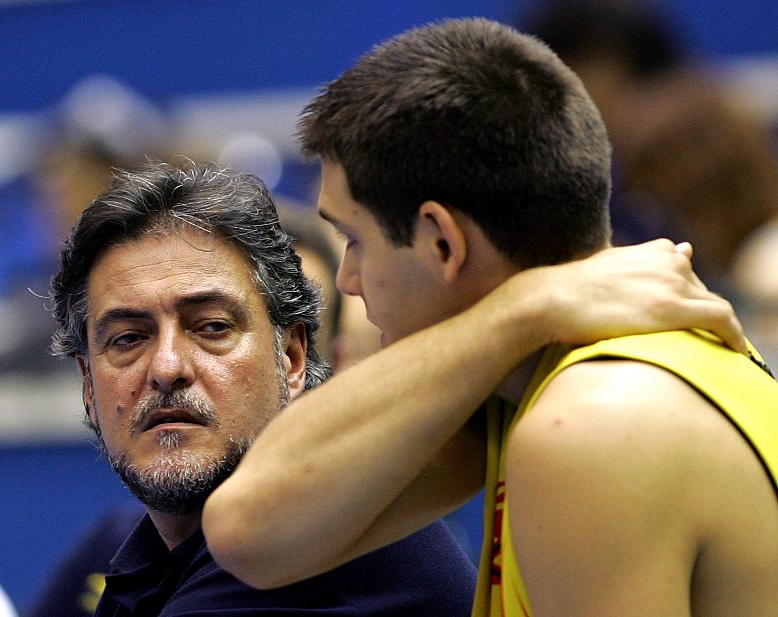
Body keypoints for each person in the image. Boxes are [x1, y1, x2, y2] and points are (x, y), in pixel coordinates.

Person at [202, 18, 777, 617]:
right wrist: (524, 307)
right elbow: (248, 534)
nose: (348, 279)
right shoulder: (533, 370)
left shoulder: (591, 420)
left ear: (442, 242)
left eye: (356, 240)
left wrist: (523, 310)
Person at [48, 159, 480, 616]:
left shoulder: (319, 548)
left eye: (212, 327)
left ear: (291, 358)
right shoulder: (150, 556)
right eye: (128, 339)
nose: (167, 367)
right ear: (89, 385)